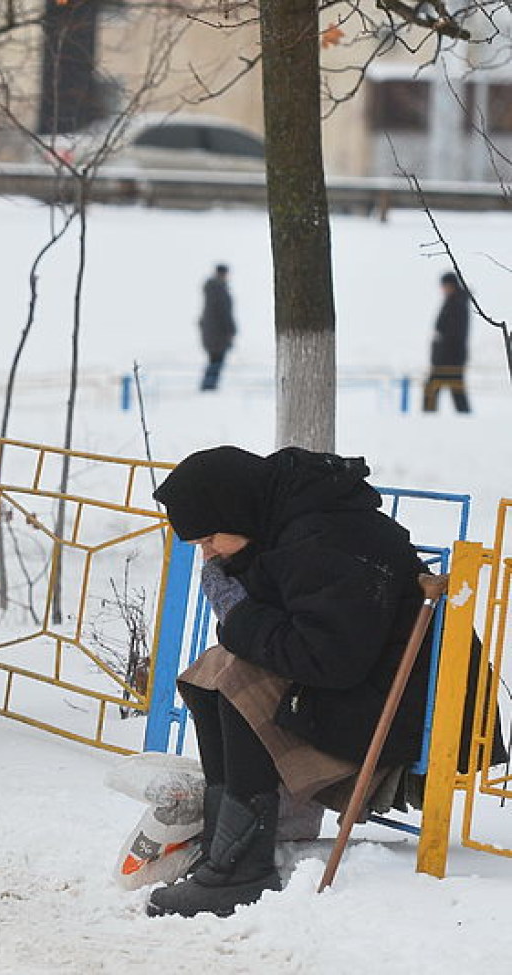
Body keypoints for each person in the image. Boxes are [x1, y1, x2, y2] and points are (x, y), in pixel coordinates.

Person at [146, 445, 433, 918]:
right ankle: (226, 849)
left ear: (233, 509)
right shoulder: (285, 524)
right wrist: (241, 606)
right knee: (211, 672)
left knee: (231, 676)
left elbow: (327, 659)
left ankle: (242, 867)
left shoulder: (323, 538)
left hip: (393, 708)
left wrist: (238, 612)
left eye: (210, 538)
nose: (208, 553)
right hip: (360, 687)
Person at [422, 271, 471, 414]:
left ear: (451, 285)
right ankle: (467, 423)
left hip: (449, 359)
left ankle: (427, 425)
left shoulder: (456, 304)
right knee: (457, 394)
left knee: (432, 390)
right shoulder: (454, 302)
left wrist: (440, 358)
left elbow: (453, 335)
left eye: (444, 285)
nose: (442, 289)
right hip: (450, 358)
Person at [198, 264, 235, 391]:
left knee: (214, 360)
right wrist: (231, 330)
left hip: (210, 333)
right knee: (216, 361)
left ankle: (208, 385)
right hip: (218, 335)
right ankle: (209, 386)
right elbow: (224, 313)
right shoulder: (219, 291)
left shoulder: (212, 290)